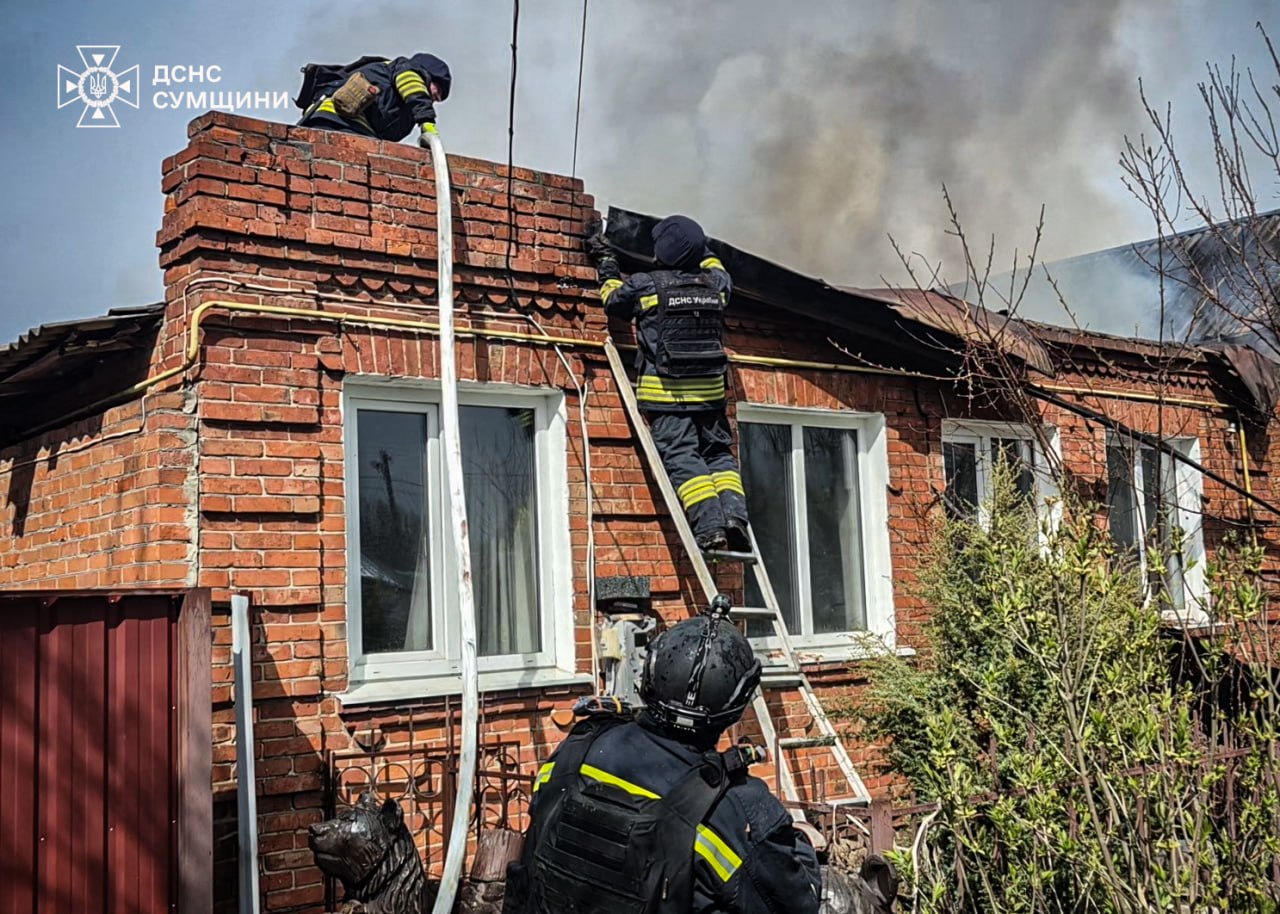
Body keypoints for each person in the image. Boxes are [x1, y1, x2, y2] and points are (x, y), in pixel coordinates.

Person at [504, 597, 823, 914]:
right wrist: (801, 844)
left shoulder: (578, 749)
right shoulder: (732, 808)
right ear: (738, 706)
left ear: (649, 676)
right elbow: (796, 903)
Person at [586, 216, 751, 553]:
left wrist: (606, 263)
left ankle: (710, 528)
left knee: (682, 456)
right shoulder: (716, 285)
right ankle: (734, 518)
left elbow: (612, 300)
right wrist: (699, 246)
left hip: (667, 395)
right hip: (710, 396)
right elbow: (714, 262)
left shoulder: (647, 285)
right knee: (719, 456)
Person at [295, 53, 451, 145]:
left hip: (325, 121)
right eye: (436, 94)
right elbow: (412, 86)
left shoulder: (391, 86)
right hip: (341, 122)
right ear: (429, 76)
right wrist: (426, 121)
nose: (433, 100)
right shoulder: (407, 69)